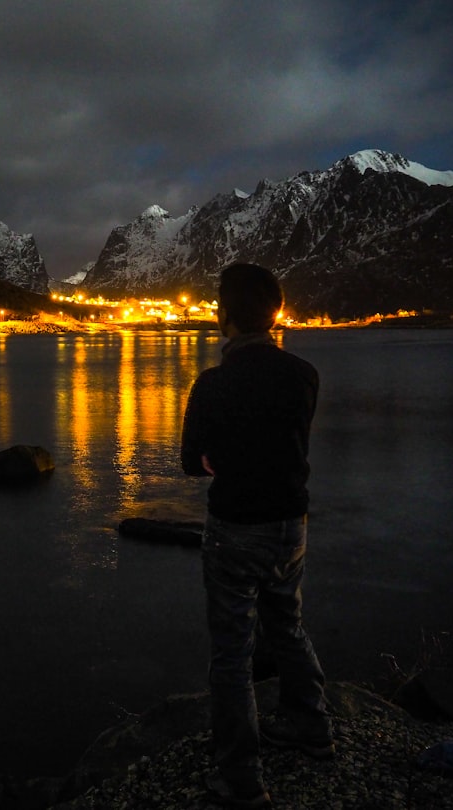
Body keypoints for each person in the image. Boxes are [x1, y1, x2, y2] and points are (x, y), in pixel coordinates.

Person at [180, 262, 333, 808]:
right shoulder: (304, 375)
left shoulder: (213, 385)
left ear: (224, 318)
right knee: (287, 626)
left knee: (231, 653)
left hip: (235, 529)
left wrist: (216, 458)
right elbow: (291, 445)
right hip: (291, 524)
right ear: (274, 315)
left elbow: (191, 465)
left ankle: (241, 779)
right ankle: (312, 727)